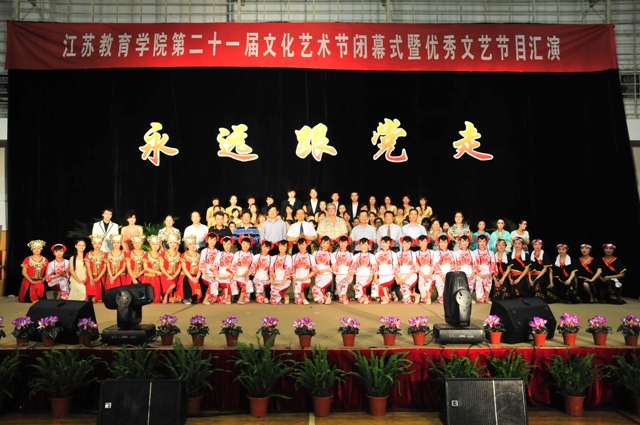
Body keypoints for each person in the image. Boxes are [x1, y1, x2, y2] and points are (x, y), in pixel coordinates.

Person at [348, 238, 377, 304]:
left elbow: (374, 267)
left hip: (368, 277)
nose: (363, 247)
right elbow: (353, 266)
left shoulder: (372, 256)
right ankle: (364, 296)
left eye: (365, 245)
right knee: (358, 288)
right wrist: (350, 273)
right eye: (362, 245)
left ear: (368, 245)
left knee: (363, 289)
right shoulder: (356, 256)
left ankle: (366, 296)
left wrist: (371, 276)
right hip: (359, 277)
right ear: (359, 245)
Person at [432, 235, 456, 304]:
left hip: (449, 274)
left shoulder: (452, 253)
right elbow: (435, 264)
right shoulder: (435, 253)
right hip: (439, 274)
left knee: (449, 286)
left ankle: (449, 297)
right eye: (441, 242)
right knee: (439, 285)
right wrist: (442, 275)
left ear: (448, 242)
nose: (443, 244)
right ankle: (441, 296)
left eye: (445, 242)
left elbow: (453, 265)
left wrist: (448, 275)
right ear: (439, 243)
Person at [374, 236, 399, 304]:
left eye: (386, 243)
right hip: (381, 276)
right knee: (376, 282)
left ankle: (384, 299)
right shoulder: (377, 254)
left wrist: (396, 276)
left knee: (377, 284)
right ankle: (388, 296)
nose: (384, 244)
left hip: (390, 276)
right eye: (383, 242)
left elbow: (395, 266)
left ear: (390, 244)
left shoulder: (393, 254)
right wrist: (375, 277)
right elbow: (375, 267)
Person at [212, 236, 236, 304]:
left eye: (228, 244)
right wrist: (217, 276)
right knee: (213, 283)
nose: (226, 246)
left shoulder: (234, 255)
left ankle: (229, 298)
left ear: (231, 244)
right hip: (220, 276)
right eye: (224, 244)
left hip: (229, 276)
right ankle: (213, 297)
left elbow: (234, 268)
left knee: (232, 282)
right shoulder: (219, 254)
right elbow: (214, 266)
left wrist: (231, 276)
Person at [160, 232, 183, 303]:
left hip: (174, 275)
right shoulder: (163, 253)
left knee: (174, 286)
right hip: (165, 275)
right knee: (172, 285)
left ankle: (167, 295)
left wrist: (173, 276)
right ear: (168, 243)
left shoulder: (179, 255)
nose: (173, 244)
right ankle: (166, 295)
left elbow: (179, 268)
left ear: (177, 244)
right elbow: (161, 267)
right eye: (171, 242)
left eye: (175, 242)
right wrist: (168, 276)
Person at [231, 236, 255, 304]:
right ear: (241, 243)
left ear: (250, 245)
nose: (245, 245)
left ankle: (240, 297)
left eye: (247, 244)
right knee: (248, 283)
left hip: (245, 277)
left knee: (247, 300)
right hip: (237, 276)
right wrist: (236, 275)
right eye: (244, 243)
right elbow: (233, 264)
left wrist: (248, 273)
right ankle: (240, 299)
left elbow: (253, 267)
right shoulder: (237, 253)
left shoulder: (251, 255)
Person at [291, 238, 316, 304]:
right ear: (297, 246)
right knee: (298, 301)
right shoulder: (294, 257)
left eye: (303, 244)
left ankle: (304, 298)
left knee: (298, 283)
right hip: (296, 280)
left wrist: (306, 277)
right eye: (300, 245)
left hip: (306, 280)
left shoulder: (310, 257)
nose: (301, 246)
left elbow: (314, 270)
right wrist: (294, 277)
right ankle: (302, 297)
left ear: (306, 245)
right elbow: (291, 269)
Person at [472, 234, 495, 304]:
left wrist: (490, 273)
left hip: (488, 272)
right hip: (478, 273)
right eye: (480, 241)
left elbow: (493, 264)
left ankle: (487, 298)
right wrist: (479, 274)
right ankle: (481, 297)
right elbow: (473, 265)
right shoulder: (474, 253)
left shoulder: (491, 253)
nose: (482, 243)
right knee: (480, 299)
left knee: (488, 284)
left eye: (484, 241)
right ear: (477, 242)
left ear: (486, 242)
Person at [396, 236, 419, 304]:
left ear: (411, 244)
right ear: (402, 243)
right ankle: (410, 297)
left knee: (404, 287)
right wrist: (398, 278)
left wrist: (406, 279)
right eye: (405, 243)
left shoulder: (413, 254)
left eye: (408, 244)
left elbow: (414, 267)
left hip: (411, 275)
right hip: (401, 276)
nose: (406, 245)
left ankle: (417, 295)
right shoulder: (397, 254)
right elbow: (396, 267)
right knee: (406, 301)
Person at [140, 235, 163, 303]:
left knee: (157, 298)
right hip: (148, 278)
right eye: (153, 244)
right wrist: (157, 272)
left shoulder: (161, 255)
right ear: (150, 245)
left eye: (157, 244)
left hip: (157, 278)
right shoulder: (146, 255)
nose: (155, 246)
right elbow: (146, 268)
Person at [180, 235, 202, 305]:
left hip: (196, 274)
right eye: (190, 244)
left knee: (199, 281)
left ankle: (195, 297)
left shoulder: (199, 255)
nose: (192, 246)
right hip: (186, 274)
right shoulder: (184, 255)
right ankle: (186, 298)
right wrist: (191, 278)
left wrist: (197, 277)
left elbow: (200, 267)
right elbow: (184, 268)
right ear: (187, 246)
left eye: (194, 244)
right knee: (186, 280)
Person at [270, 240, 293, 304]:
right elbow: (271, 270)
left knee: (274, 292)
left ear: (287, 247)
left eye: (284, 246)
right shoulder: (274, 257)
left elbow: (288, 271)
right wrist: (272, 281)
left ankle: (285, 296)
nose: (282, 248)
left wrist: (282, 283)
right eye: (280, 246)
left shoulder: (289, 257)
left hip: (284, 281)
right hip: (275, 280)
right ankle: (281, 297)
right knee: (273, 301)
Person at [85, 235, 107, 303]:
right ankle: (92, 298)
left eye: (99, 243)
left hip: (101, 276)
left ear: (101, 244)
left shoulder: (105, 254)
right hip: (91, 276)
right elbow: (88, 267)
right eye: (95, 243)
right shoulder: (88, 254)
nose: (97, 245)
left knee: (99, 283)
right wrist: (91, 278)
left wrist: (98, 278)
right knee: (91, 283)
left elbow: (104, 268)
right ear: (92, 244)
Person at [312, 236, 333, 304]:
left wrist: (325, 270)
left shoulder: (331, 254)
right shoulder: (315, 253)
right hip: (318, 276)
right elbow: (312, 264)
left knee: (315, 288)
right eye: (323, 242)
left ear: (329, 244)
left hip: (327, 276)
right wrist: (316, 270)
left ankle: (326, 298)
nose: (325, 245)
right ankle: (327, 295)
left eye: (327, 243)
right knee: (320, 301)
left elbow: (335, 267)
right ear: (320, 243)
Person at [454, 235, 476, 299]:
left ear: (469, 242)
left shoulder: (472, 253)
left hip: (470, 274)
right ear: (459, 242)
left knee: (470, 287)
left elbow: (475, 264)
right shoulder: (456, 253)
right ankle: (462, 299)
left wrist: (472, 275)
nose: (465, 243)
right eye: (463, 241)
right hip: (460, 274)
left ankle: (469, 298)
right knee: (461, 288)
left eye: (466, 241)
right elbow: (455, 265)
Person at [333, 236, 353, 304]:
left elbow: (352, 266)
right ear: (339, 243)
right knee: (340, 297)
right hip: (339, 275)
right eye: (341, 242)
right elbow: (332, 264)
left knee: (344, 284)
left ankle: (345, 298)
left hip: (347, 275)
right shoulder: (335, 254)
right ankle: (344, 297)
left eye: (345, 243)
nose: (343, 244)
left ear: (347, 243)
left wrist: (349, 274)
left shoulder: (350, 254)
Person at [199, 233, 219, 305]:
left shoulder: (218, 252)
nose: (212, 242)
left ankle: (215, 297)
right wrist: (205, 274)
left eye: (214, 240)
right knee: (214, 282)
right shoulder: (204, 251)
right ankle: (205, 299)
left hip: (215, 274)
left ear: (216, 241)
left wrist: (217, 275)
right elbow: (202, 263)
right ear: (207, 240)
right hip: (206, 274)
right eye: (210, 240)